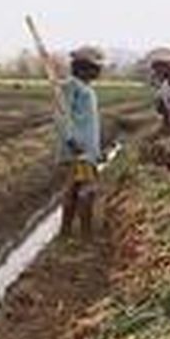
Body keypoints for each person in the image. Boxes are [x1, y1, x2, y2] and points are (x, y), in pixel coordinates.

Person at [57, 45, 104, 236]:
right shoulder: (70, 86)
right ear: (83, 68)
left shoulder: (85, 88)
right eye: (96, 68)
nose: (99, 72)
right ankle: (83, 231)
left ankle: (68, 231)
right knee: (85, 189)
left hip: (87, 148)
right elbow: (61, 116)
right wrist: (70, 140)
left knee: (76, 187)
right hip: (78, 148)